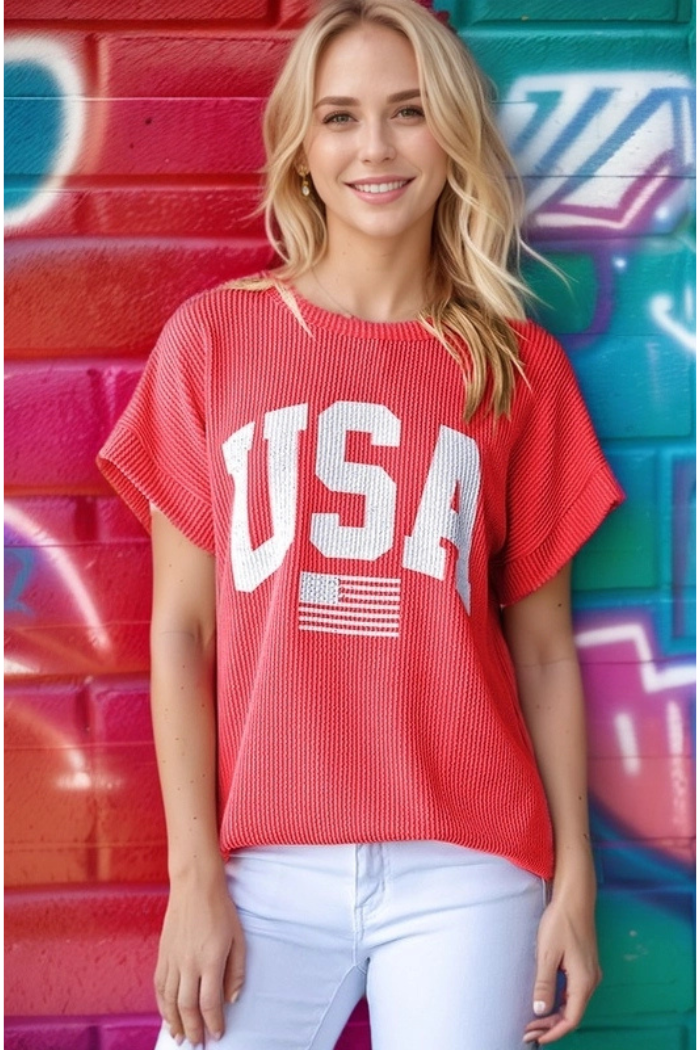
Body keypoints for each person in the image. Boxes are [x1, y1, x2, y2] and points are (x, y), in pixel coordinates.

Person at [97, 1, 624, 1047]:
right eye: (339, 117)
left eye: (408, 111)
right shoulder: (214, 341)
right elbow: (182, 633)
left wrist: (575, 881)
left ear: (452, 135)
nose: (374, 147)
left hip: (469, 871)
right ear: (301, 150)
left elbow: (544, 652)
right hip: (262, 870)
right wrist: (194, 880)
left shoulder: (516, 369)